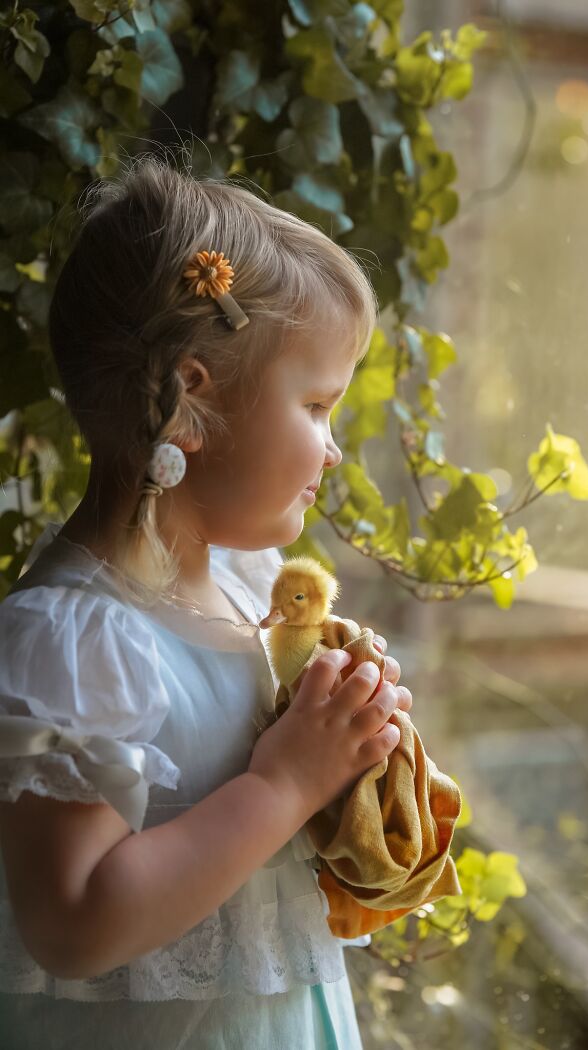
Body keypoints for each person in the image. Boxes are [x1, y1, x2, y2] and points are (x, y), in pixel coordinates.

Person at [0, 153, 413, 1049]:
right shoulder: (78, 641)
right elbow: (71, 924)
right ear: (192, 400)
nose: (334, 451)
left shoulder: (246, 591)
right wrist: (287, 781)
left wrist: (349, 735)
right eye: (316, 405)